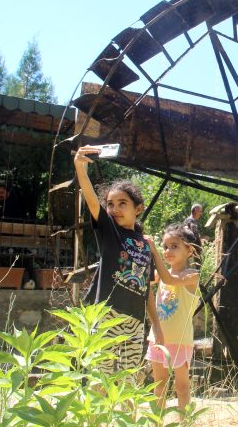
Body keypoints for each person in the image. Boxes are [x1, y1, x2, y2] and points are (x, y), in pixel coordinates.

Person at [74, 145, 161, 374]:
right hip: (107, 316)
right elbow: (93, 203)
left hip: (135, 322)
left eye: (123, 203)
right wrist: (80, 168)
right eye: (110, 204)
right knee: (100, 379)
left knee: (127, 380)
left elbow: (147, 289)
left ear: (138, 209)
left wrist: (156, 325)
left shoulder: (145, 244)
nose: (115, 209)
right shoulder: (110, 232)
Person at [144, 221, 201, 414]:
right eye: (165, 246)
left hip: (180, 340)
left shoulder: (192, 275)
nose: (167, 251)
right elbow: (146, 280)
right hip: (158, 338)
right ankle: (157, 422)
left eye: (174, 246)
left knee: (182, 387)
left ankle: (184, 422)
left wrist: (153, 251)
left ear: (189, 250)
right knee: (159, 385)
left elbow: (169, 280)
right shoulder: (162, 274)